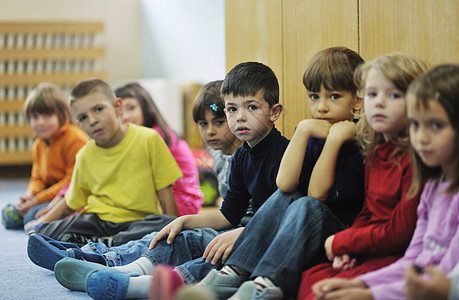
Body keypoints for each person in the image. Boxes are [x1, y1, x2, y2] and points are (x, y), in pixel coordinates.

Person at [52, 61, 305, 299]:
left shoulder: (287, 154)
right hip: (243, 233)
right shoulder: (241, 156)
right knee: (182, 235)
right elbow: (228, 214)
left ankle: (138, 286)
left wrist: (243, 234)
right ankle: (125, 270)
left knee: (212, 255)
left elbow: (286, 217)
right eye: (231, 109)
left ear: (275, 112)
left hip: (267, 243)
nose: (239, 117)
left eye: (251, 107)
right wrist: (184, 221)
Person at [193, 46, 367, 300]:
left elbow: (317, 195)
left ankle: (264, 283)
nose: (321, 107)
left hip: (340, 232)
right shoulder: (311, 132)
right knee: (289, 197)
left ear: (358, 101)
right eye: (314, 97)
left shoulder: (364, 139)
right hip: (307, 226)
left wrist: (335, 140)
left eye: (334, 97)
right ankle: (232, 274)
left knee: (306, 204)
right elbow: (284, 185)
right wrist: (303, 132)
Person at [310, 64, 459, 300]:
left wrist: (370, 293)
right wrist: (362, 284)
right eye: (416, 125)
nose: (421, 137)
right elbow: (414, 258)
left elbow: (442, 280)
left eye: (436, 125)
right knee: (316, 283)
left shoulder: (417, 169)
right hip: (401, 273)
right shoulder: (431, 185)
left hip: (408, 270)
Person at [27, 78, 182, 265]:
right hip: (98, 221)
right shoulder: (85, 154)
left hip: (138, 222)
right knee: (43, 233)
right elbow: (70, 203)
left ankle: (94, 249)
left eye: (98, 109)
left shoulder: (149, 139)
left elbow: (166, 196)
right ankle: (102, 250)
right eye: (83, 118)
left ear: (118, 107)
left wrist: (173, 231)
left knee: (161, 224)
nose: (92, 120)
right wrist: (41, 224)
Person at [1, 82, 88, 230]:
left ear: (61, 116)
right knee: (9, 214)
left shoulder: (75, 140)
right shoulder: (39, 144)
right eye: (35, 117)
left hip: (66, 196)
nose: (40, 122)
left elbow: (70, 182)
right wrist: (30, 195)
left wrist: (37, 200)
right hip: (46, 193)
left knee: (30, 216)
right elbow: (37, 177)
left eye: (47, 115)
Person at [115, 82, 203, 217]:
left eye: (131, 108)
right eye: (120, 113)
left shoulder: (155, 136)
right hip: (178, 200)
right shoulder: (151, 133)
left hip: (181, 203)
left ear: (145, 108)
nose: (126, 116)